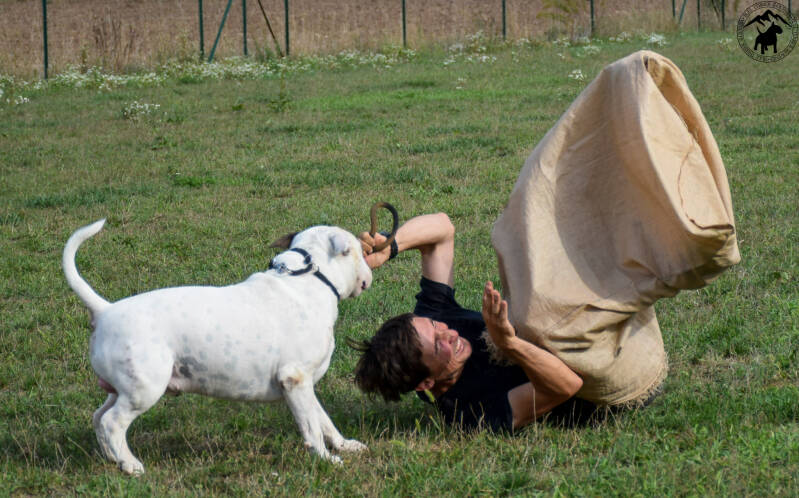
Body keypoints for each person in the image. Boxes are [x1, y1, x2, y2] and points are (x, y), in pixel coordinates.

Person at [351, 213, 587, 432]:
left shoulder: (434, 318)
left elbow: (442, 229)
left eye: (435, 327)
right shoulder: (470, 413)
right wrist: (509, 343)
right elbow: (566, 385)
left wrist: (389, 248)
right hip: (593, 360)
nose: (450, 333)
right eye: (437, 345)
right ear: (426, 383)